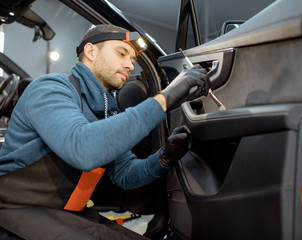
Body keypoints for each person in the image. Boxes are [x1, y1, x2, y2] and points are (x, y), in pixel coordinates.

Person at [0, 24, 210, 239]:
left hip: (71, 213)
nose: (129, 65)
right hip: (17, 209)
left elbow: (124, 173)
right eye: (121, 53)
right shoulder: (51, 89)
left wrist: (164, 158)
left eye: (133, 60)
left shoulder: (107, 110)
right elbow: (82, 148)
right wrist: (166, 98)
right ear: (91, 52)